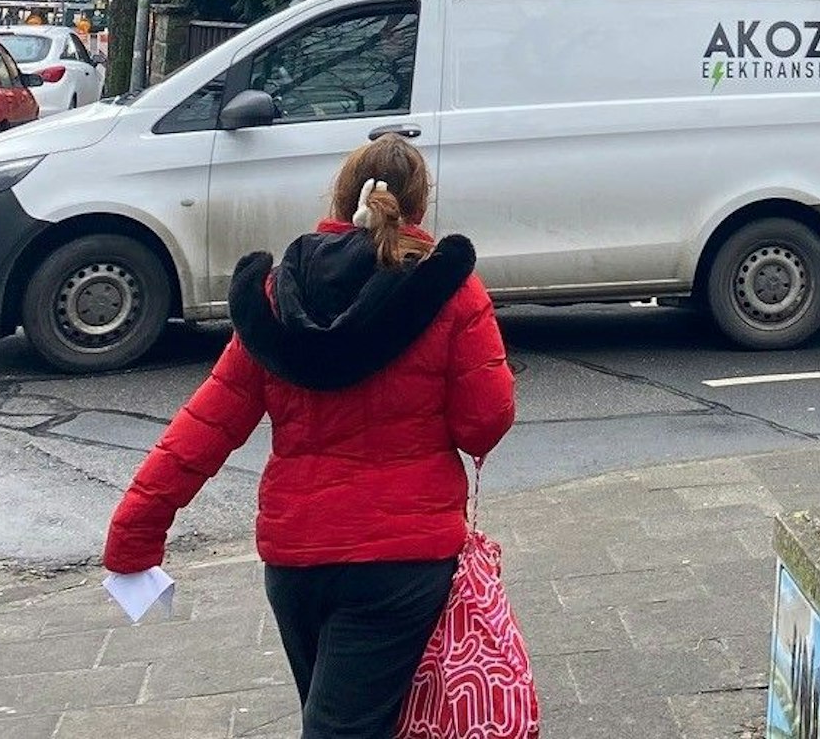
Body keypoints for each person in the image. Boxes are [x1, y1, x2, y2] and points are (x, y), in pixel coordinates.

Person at [102, 134, 516, 739]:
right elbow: (484, 422)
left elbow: (206, 426)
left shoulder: (275, 296)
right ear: (417, 207)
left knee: (340, 715)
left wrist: (135, 535)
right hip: (404, 559)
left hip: (298, 560)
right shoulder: (450, 291)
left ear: (342, 195)